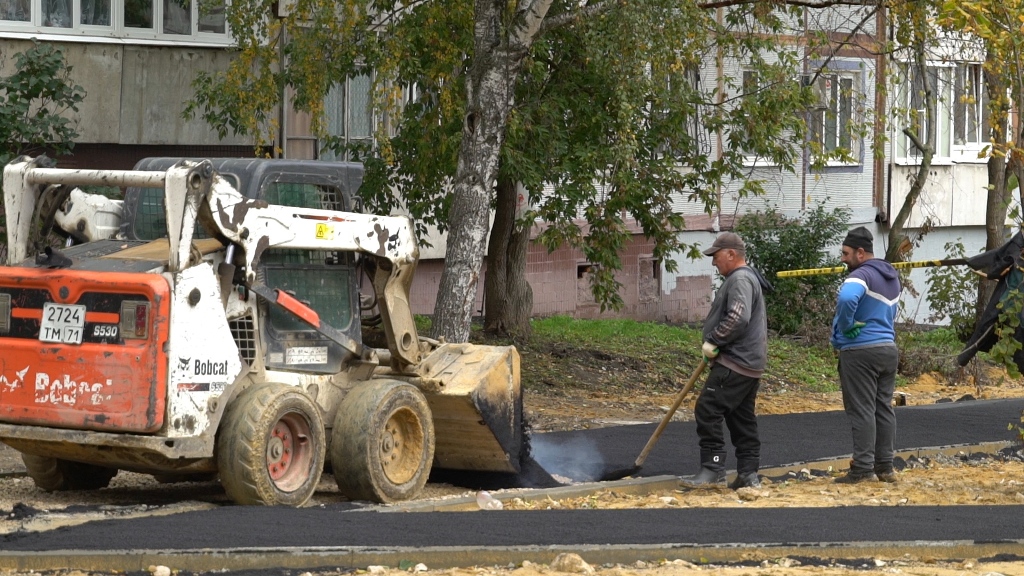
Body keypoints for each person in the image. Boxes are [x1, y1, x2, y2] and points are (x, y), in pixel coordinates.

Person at [682, 232, 772, 490]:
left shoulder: (740, 279)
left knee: (707, 410)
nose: (713, 263)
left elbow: (738, 317)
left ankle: (713, 468)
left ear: (731, 254)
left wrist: (714, 340)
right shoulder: (747, 277)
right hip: (749, 364)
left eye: (716, 256)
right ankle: (747, 473)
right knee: (741, 418)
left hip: (735, 361)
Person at [830, 226, 901, 483]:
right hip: (887, 349)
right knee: (883, 409)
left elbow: (848, 298)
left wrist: (846, 326)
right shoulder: (891, 276)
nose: (842, 258)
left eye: (846, 253)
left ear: (861, 253)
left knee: (862, 409)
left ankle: (862, 469)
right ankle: (885, 467)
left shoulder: (861, 275)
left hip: (860, 351)